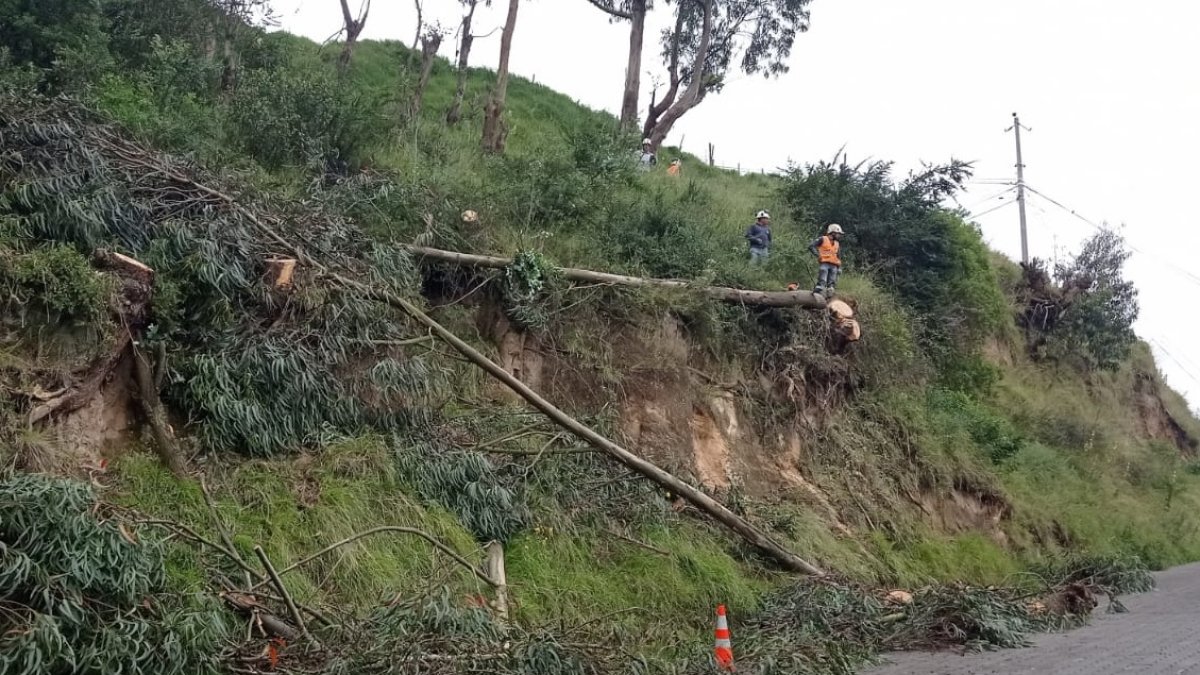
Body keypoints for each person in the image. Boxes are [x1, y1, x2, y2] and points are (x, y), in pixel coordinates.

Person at [809, 223, 844, 296]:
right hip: (824, 263)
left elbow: (838, 256)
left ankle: (829, 295)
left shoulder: (837, 243)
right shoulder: (823, 239)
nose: (839, 235)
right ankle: (818, 292)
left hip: (834, 265)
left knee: (831, 284)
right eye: (838, 234)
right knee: (822, 281)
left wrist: (839, 267)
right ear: (833, 232)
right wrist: (818, 255)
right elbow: (811, 246)